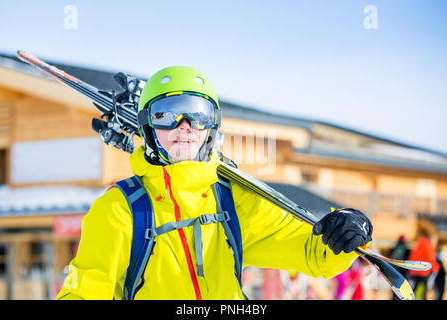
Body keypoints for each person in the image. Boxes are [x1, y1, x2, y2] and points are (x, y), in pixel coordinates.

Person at [55, 66, 373, 300]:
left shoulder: (234, 201)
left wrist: (342, 232)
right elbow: (83, 293)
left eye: (198, 114)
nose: (185, 126)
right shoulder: (119, 210)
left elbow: (310, 252)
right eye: (167, 115)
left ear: (213, 126)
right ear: (147, 126)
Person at [408, 234, 439, 300]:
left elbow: (411, 258)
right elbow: (430, 258)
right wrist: (435, 268)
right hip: (424, 272)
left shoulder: (417, 246)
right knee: (422, 290)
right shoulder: (428, 246)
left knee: (415, 289)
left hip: (415, 272)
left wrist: (411, 270)